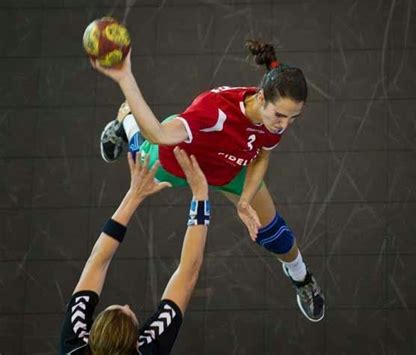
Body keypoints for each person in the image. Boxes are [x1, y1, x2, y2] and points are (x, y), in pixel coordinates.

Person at [91, 39, 325, 322]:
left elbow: (262, 154)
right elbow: (159, 135)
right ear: (261, 98)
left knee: (276, 235)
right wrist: (125, 78)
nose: (284, 125)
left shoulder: (275, 117)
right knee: (141, 150)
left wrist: (244, 201)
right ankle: (126, 119)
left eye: (293, 118)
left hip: (229, 166)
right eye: (280, 116)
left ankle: (301, 278)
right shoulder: (213, 111)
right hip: (181, 160)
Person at [59, 147, 210, 354]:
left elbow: (189, 273)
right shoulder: (73, 343)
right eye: (129, 313)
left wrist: (200, 196)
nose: (128, 306)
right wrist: (134, 196)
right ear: (136, 344)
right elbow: (97, 261)